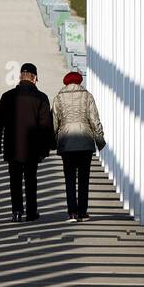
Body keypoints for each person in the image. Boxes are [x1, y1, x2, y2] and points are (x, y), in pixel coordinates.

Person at [0, 62, 54, 222]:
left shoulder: (7, 96)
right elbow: (46, 125)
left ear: (20, 77)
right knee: (31, 180)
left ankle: (17, 211)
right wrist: (48, 147)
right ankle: (32, 212)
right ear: (35, 78)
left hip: (13, 147)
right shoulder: (41, 98)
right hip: (33, 148)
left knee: (15, 180)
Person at [51, 70, 105, 222]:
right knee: (83, 179)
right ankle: (83, 212)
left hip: (67, 142)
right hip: (85, 142)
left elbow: (54, 122)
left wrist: (54, 142)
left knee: (69, 179)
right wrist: (99, 140)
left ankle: (72, 212)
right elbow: (95, 120)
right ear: (80, 81)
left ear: (66, 82)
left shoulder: (58, 98)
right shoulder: (87, 96)